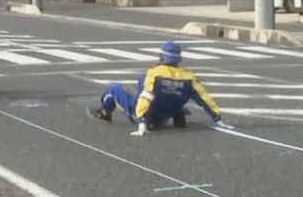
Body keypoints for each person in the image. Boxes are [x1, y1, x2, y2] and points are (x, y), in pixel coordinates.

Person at [88, 41, 229, 136]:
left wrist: (141, 121)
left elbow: (146, 96)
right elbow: (204, 99)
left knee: (113, 88)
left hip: (148, 116)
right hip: (166, 114)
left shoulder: (154, 74)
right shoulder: (189, 77)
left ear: (161, 57)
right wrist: (217, 118)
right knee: (174, 96)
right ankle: (178, 116)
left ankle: (104, 113)